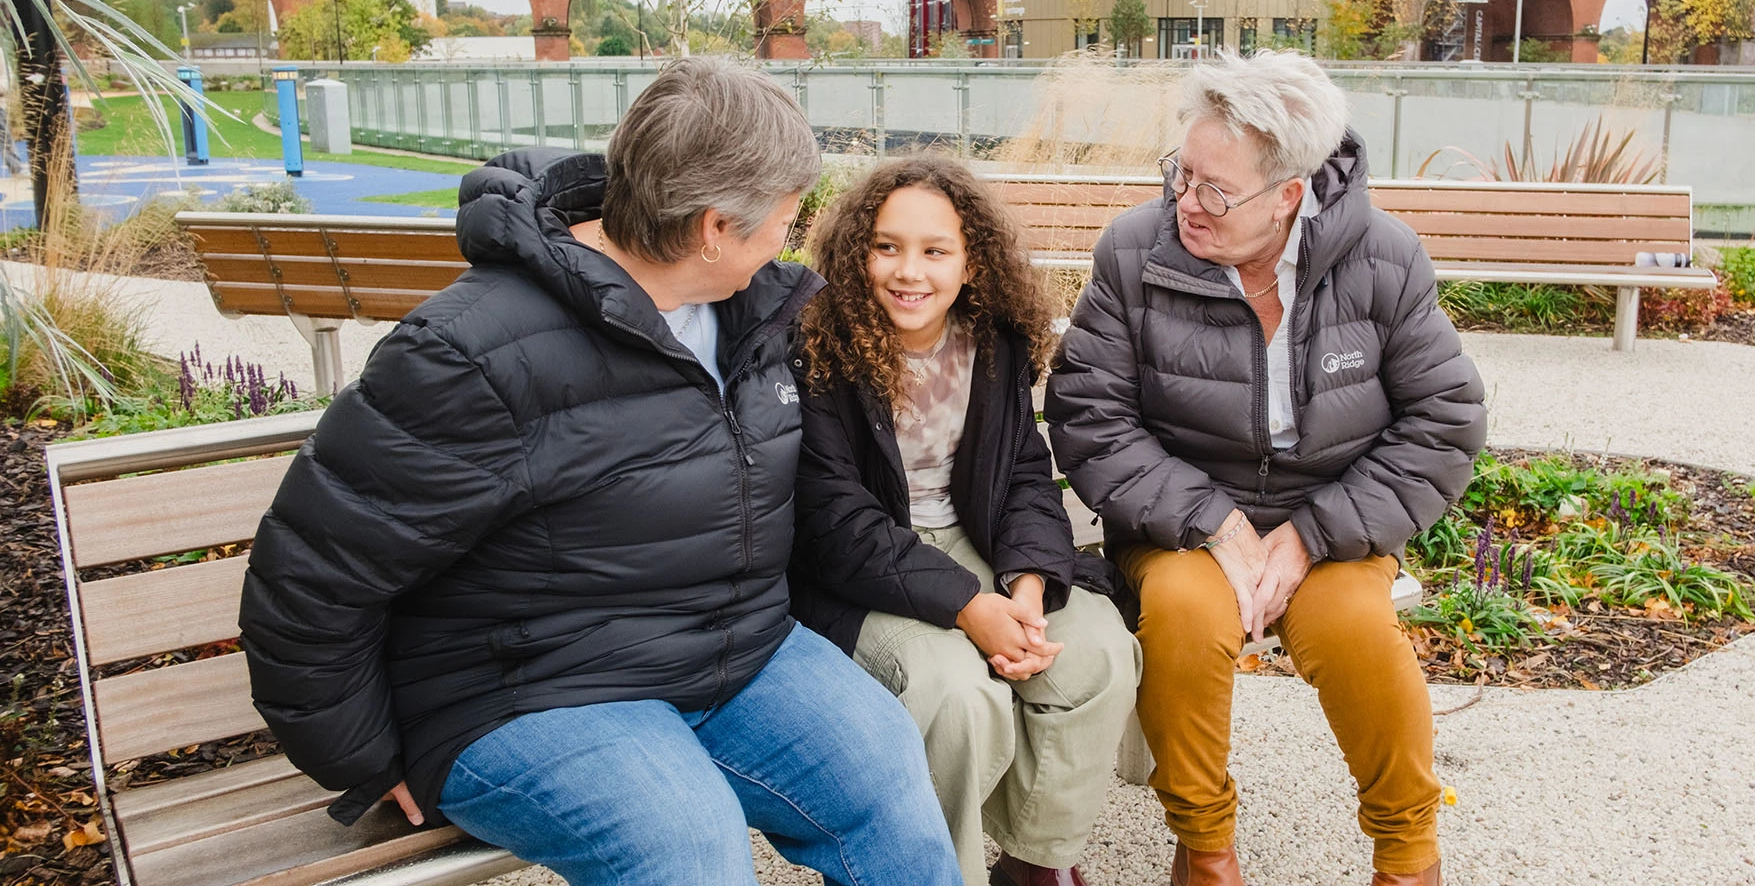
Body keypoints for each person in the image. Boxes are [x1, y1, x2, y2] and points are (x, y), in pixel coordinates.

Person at [238, 58, 962, 886]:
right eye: (785, 221)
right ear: (715, 228)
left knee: (885, 772)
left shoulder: (752, 315)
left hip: (735, 651)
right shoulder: (470, 355)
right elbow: (310, 578)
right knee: (686, 844)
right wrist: (362, 756)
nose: (789, 242)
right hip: (527, 686)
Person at [1044, 51, 1487, 886]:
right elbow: (1089, 415)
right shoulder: (1136, 252)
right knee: (1179, 614)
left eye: (1216, 189)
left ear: (1291, 193)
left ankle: (1407, 855)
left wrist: (1314, 537)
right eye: (1182, 174)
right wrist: (1212, 523)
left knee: (1359, 633)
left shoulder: (1382, 258)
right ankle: (1205, 847)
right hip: (1177, 518)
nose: (1186, 202)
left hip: (1332, 517)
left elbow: (1445, 420)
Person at [790, 156, 1141, 886]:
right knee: (957, 694)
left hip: (980, 548)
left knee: (1097, 655)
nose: (907, 271)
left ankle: (1034, 863)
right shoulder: (816, 346)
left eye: (934, 250)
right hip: (860, 571)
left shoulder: (994, 340)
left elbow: (1022, 473)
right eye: (886, 246)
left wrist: (1028, 586)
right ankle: (929, 871)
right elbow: (832, 520)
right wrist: (968, 607)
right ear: (858, 253)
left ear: (971, 261)